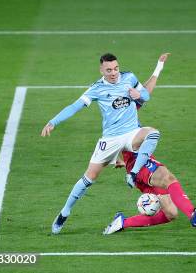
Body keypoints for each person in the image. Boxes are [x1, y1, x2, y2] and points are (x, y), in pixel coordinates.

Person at [41, 53, 164, 234]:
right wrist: (53, 122)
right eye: (109, 70)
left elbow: (145, 96)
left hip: (132, 133)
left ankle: (133, 174)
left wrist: (139, 94)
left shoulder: (129, 77)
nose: (114, 73)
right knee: (89, 178)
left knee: (153, 133)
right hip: (111, 139)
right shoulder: (97, 88)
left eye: (115, 68)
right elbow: (74, 106)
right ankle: (64, 213)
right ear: (101, 70)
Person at [103, 53, 196, 234]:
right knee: (168, 178)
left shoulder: (128, 106)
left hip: (135, 166)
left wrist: (159, 67)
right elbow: (107, 144)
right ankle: (193, 214)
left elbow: (145, 92)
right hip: (140, 163)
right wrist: (115, 160)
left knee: (171, 213)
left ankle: (122, 222)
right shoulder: (114, 121)